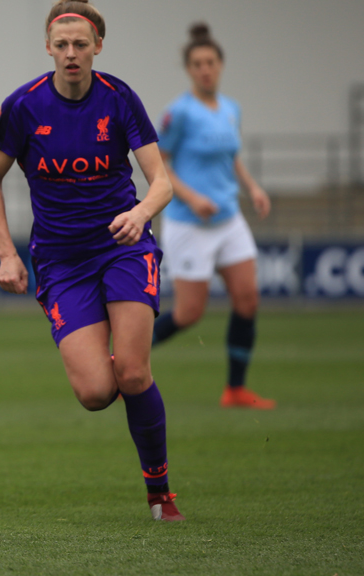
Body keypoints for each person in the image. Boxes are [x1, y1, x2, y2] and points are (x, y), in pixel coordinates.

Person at [0, 0, 184, 521]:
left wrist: (139, 214)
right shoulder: (23, 106)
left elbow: (160, 181)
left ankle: (160, 494)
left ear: (97, 46)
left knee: (134, 374)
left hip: (123, 248)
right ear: (49, 47)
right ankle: (115, 372)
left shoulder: (120, 99)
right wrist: (6, 253)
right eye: (62, 44)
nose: (71, 53)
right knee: (96, 393)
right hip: (59, 261)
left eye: (81, 44)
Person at [152, 23, 275, 410]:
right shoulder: (178, 114)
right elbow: (160, 166)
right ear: (189, 69)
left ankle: (235, 389)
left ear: (220, 65)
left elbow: (231, 156)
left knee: (248, 299)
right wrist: (191, 196)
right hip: (189, 223)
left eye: (211, 62)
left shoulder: (231, 108)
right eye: (198, 63)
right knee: (189, 313)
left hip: (228, 219)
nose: (205, 69)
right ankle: (121, 360)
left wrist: (252, 187)